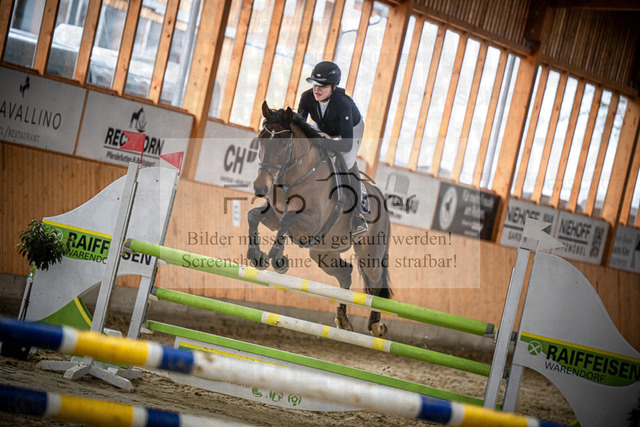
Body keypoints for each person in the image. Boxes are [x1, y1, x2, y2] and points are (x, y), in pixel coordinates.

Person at [297, 61, 368, 236]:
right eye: (314, 84)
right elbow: (299, 129)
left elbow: (345, 145)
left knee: (346, 162)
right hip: (323, 125)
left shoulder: (343, 104)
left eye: (323, 86)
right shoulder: (306, 97)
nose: (317, 89)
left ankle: (358, 215)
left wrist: (320, 142)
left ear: (334, 87)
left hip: (350, 130)